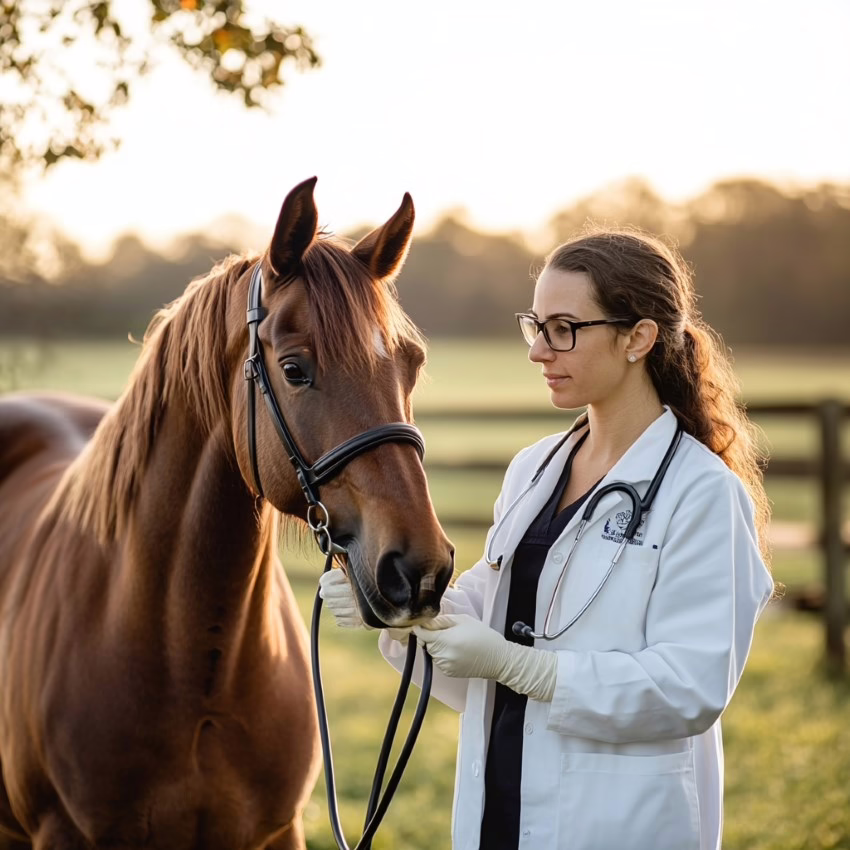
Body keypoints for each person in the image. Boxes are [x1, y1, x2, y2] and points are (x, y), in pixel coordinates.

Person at [319, 228, 774, 850]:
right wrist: (394, 614)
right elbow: (491, 606)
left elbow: (688, 687)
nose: (538, 350)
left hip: (619, 820)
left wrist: (522, 667)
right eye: (535, 324)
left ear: (638, 338)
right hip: (499, 807)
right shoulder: (533, 468)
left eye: (564, 329)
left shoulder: (703, 494)